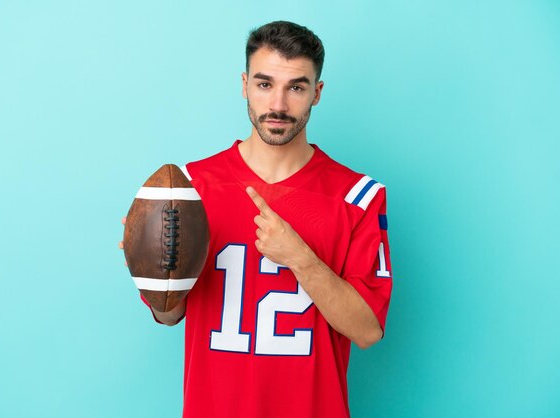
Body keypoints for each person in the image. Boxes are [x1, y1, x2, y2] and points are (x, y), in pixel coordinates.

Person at [120, 20, 393, 418]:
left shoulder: (357, 196)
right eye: (265, 84)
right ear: (244, 84)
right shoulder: (190, 190)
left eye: (296, 87)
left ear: (316, 93)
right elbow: (170, 316)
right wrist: (148, 268)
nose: (278, 105)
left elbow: (367, 331)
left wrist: (301, 257)